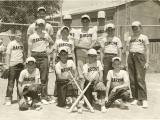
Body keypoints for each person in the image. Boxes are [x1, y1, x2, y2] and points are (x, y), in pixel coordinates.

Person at [28, 19, 54, 105]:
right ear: (36, 26)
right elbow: (29, 49)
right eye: (39, 25)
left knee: (44, 78)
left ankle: (43, 97)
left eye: (42, 25)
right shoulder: (32, 36)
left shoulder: (46, 35)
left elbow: (52, 43)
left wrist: (50, 51)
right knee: (33, 77)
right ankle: (33, 96)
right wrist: (29, 60)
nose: (40, 27)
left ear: (44, 26)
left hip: (43, 57)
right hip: (34, 56)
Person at [126, 21, 149, 108]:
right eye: (133, 28)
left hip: (140, 57)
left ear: (140, 28)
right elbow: (127, 51)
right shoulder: (129, 38)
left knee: (140, 78)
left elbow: (147, 50)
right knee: (132, 78)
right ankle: (135, 98)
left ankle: (144, 99)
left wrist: (147, 62)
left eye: (137, 28)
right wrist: (126, 62)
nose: (135, 30)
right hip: (131, 57)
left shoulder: (144, 37)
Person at [75, 14, 97, 90]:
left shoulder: (92, 31)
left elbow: (94, 41)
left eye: (86, 21)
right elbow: (76, 44)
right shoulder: (78, 31)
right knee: (81, 75)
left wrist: (90, 47)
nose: (85, 23)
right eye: (83, 21)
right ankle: (82, 94)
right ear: (81, 22)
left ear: (89, 22)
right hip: (80, 54)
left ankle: (90, 93)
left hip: (90, 55)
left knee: (90, 73)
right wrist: (87, 47)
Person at [83, 49, 107, 113]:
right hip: (89, 82)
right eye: (90, 56)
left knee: (100, 85)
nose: (92, 57)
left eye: (93, 56)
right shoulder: (85, 65)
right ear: (88, 56)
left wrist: (99, 78)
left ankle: (102, 105)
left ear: (96, 56)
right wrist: (88, 79)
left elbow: (101, 72)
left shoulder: (98, 62)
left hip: (97, 81)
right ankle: (91, 100)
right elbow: (85, 75)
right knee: (87, 104)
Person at [4, 29, 24, 106]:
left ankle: (19, 98)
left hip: (20, 65)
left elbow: (23, 54)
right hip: (13, 66)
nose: (20, 37)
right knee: (11, 83)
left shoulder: (22, 44)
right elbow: (8, 55)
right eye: (19, 35)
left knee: (19, 83)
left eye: (21, 36)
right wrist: (8, 66)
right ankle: (8, 98)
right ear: (15, 35)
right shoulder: (11, 43)